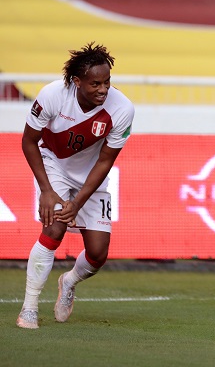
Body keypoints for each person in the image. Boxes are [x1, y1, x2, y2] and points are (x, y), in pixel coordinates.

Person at [16, 42, 135, 329]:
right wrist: (46, 190)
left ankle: (68, 282)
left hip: (91, 177)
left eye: (107, 82)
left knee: (97, 254)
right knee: (54, 228)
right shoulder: (52, 95)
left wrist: (77, 202)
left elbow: (105, 162)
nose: (103, 89)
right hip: (53, 163)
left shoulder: (122, 110)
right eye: (95, 83)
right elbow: (28, 141)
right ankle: (29, 307)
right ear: (77, 82)